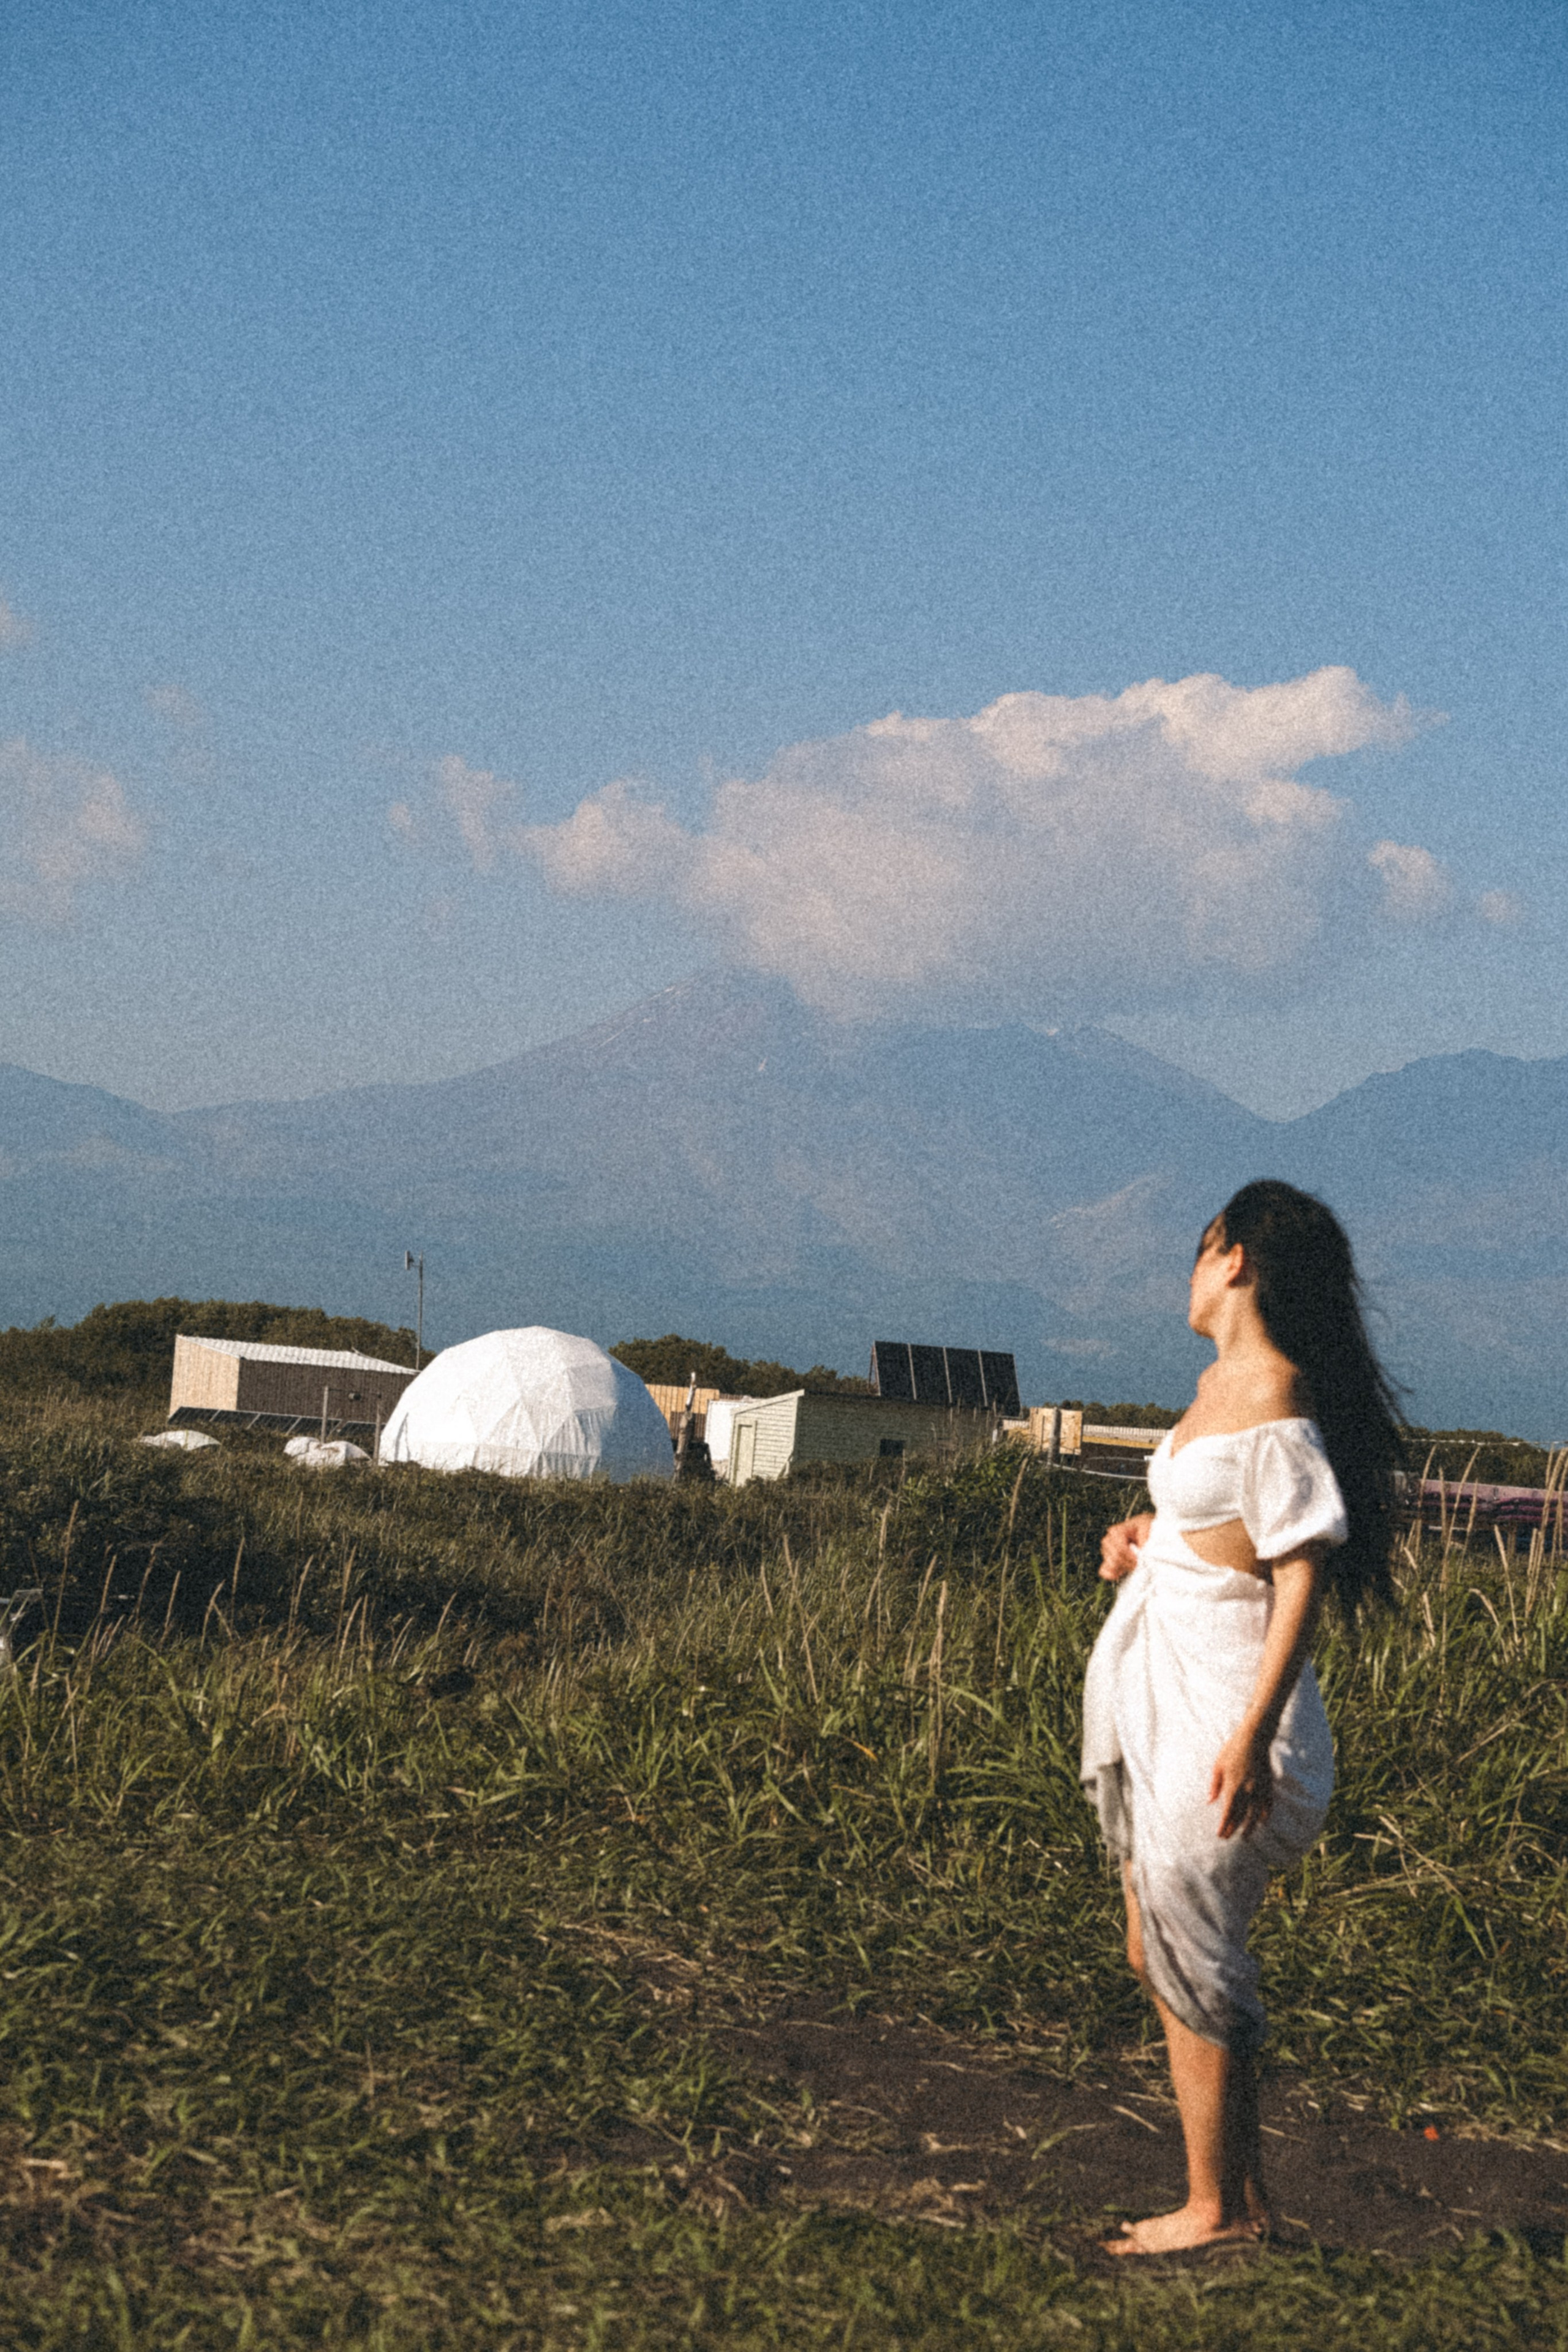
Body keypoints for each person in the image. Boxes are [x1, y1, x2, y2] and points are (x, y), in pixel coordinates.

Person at [1082, 1180, 1403, 2255]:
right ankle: (1244, 2201)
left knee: (1193, 1955)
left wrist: (1254, 1735)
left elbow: (1302, 1564)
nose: (1189, 1270)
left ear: (1237, 1262)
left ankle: (1215, 2209)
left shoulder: (1273, 1396)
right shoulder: (1220, 1383)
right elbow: (1216, 1528)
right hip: (1178, 1707)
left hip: (1228, 1725)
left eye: (1200, 1248)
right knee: (1157, 1947)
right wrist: (1143, 1537)